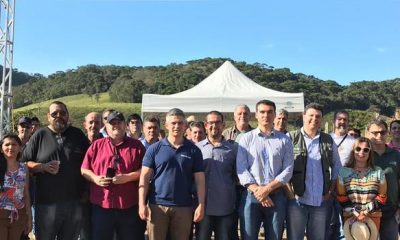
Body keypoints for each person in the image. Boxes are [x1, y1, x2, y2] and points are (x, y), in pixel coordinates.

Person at [21, 101, 90, 240]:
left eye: (62, 113)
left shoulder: (78, 134)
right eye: (54, 114)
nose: (58, 116)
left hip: (74, 203)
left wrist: (86, 191)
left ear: (68, 115)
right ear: (48, 117)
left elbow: (89, 164)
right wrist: (42, 167)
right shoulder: (39, 135)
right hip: (47, 204)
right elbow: (24, 163)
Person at [138, 108, 205, 240]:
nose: (176, 126)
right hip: (157, 205)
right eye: (173, 123)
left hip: (184, 207)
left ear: (185, 126)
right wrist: (141, 204)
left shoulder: (194, 150)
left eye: (180, 123)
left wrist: (201, 204)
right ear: (166, 125)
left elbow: (200, 180)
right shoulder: (154, 149)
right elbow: (144, 178)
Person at [81, 111, 146, 240]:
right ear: (106, 126)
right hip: (102, 206)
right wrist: (95, 178)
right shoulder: (96, 145)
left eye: (119, 122)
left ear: (125, 125)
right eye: (112, 123)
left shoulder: (137, 146)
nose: (116, 125)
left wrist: (128, 177)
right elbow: (84, 169)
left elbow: (146, 171)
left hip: (128, 206)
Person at [236, 99, 294, 240]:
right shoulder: (246, 139)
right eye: (262, 112)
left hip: (277, 196)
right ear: (256, 115)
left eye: (269, 112)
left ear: (274, 115)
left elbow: (288, 169)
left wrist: (267, 189)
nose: (265, 115)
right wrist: (258, 191)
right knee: (248, 237)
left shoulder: (285, 140)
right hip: (251, 197)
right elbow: (241, 169)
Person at [285, 103, 341, 240]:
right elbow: (282, 168)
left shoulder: (328, 139)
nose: (314, 119)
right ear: (303, 117)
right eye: (311, 115)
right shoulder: (290, 138)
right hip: (297, 199)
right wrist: (289, 193)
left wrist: (330, 191)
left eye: (318, 116)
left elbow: (337, 166)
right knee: (295, 237)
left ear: (321, 119)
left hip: (320, 200)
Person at [196, 111, 237, 240]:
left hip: (225, 206)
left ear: (223, 125)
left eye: (218, 122)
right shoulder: (196, 149)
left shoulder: (233, 149)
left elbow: (238, 176)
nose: (215, 126)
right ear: (206, 125)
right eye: (211, 123)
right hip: (203, 206)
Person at [336, 137, 387, 235]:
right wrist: (355, 212)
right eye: (358, 149)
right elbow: (341, 197)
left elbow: (383, 197)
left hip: (373, 217)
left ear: (370, 152)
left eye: (366, 150)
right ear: (353, 151)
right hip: (351, 217)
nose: (361, 152)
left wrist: (365, 212)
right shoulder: (343, 172)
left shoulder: (378, 172)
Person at [366, 118, 400, 240]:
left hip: (391, 209)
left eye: (382, 132)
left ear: (387, 133)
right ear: (368, 133)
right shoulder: (362, 154)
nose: (379, 135)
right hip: (367, 210)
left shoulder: (396, 155)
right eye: (375, 133)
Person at [328, 110, 355, 240]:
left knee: (346, 224)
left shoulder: (354, 142)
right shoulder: (326, 138)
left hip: (347, 189)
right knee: (328, 224)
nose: (342, 122)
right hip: (327, 188)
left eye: (345, 119)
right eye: (339, 119)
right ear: (334, 121)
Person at [0, 134, 32, 240]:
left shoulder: (24, 168)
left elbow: (26, 194)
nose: (10, 147)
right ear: (1, 148)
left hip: (18, 216)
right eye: (7, 144)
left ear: (20, 148)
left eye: (14, 144)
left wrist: (29, 217)